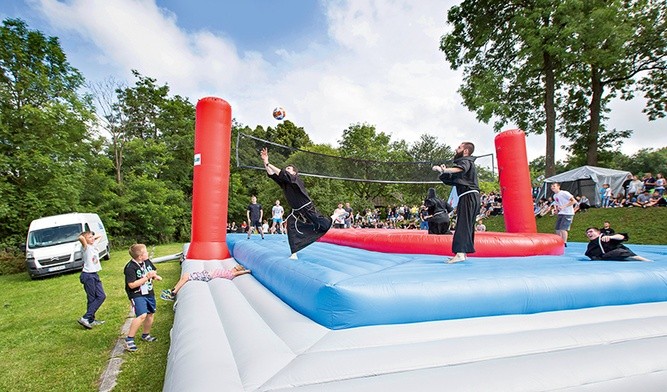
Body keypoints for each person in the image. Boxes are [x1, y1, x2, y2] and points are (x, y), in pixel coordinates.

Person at [260, 147, 333, 259]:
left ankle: (334, 216)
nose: (287, 169)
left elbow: (282, 173)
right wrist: (265, 161)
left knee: (323, 225)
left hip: (307, 208)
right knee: (291, 228)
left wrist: (269, 163)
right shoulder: (285, 183)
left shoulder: (295, 179)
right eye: (287, 168)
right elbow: (272, 175)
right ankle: (294, 252)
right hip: (296, 211)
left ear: (294, 172)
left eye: (289, 168)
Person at [432, 142, 480, 263]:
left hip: (468, 196)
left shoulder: (466, 161)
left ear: (465, 151)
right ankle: (463, 253)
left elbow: (460, 168)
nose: (455, 149)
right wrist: (443, 172)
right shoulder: (467, 165)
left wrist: (445, 169)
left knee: (463, 224)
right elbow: (453, 179)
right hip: (471, 196)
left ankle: (459, 253)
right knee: (467, 225)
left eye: (459, 147)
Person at [123, 243, 162, 352]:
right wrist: (146, 278)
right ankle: (129, 339)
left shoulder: (146, 262)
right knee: (142, 315)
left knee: (150, 313)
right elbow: (131, 284)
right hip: (137, 294)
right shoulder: (130, 268)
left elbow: (151, 271)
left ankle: (146, 334)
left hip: (149, 293)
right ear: (140, 256)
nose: (147, 253)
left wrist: (155, 276)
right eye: (146, 252)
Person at [160, 264, 251, 301]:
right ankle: (173, 290)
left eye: (235, 268)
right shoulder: (229, 272)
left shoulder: (231, 274)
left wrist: (246, 271)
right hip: (206, 274)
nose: (233, 268)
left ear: (237, 270)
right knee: (185, 275)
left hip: (207, 276)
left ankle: (173, 293)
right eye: (234, 267)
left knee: (186, 277)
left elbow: (239, 272)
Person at [77, 230, 106, 329]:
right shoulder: (85, 247)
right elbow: (80, 238)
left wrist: (91, 237)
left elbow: (100, 235)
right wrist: (84, 238)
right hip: (88, 275)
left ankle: (90, 319)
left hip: (94, 274)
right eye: (89, 237)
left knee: (101, 296)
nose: (92, 238)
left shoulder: (93, 245)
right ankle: (86, 318)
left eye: (92, 237)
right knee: (92, 298)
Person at [584, 227, 651, 262]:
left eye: (591, 232)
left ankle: (646, 261)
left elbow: (622, 237)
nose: (589, 234)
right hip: (608, 257)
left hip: (621, 253)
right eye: (587, 233)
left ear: (598, 232)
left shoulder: (606, 236)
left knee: (619, 253)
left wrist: (611, 237)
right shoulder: (590, 246)